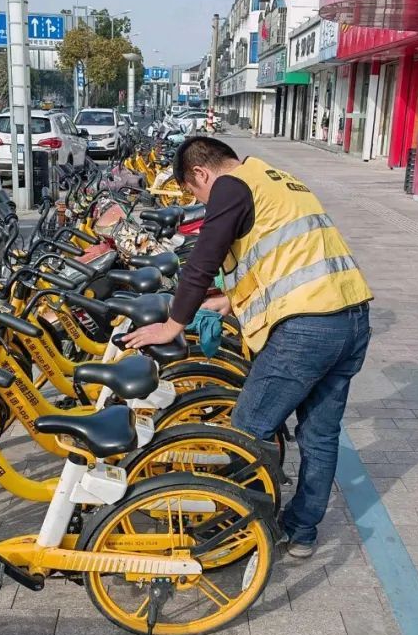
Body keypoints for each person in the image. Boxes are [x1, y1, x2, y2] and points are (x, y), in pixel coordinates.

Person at [123, 137, 372, 558]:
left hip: (307, 329)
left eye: (193, 193)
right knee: (320, 434)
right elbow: (284, 259)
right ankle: (303, 530)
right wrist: (229, 300)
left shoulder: (231, 186)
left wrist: (173, 324)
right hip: (350, 317)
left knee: (248, 429)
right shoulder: (278, 179)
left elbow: (204, 258)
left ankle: (236, 526)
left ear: (200, 174)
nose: (201, 201)